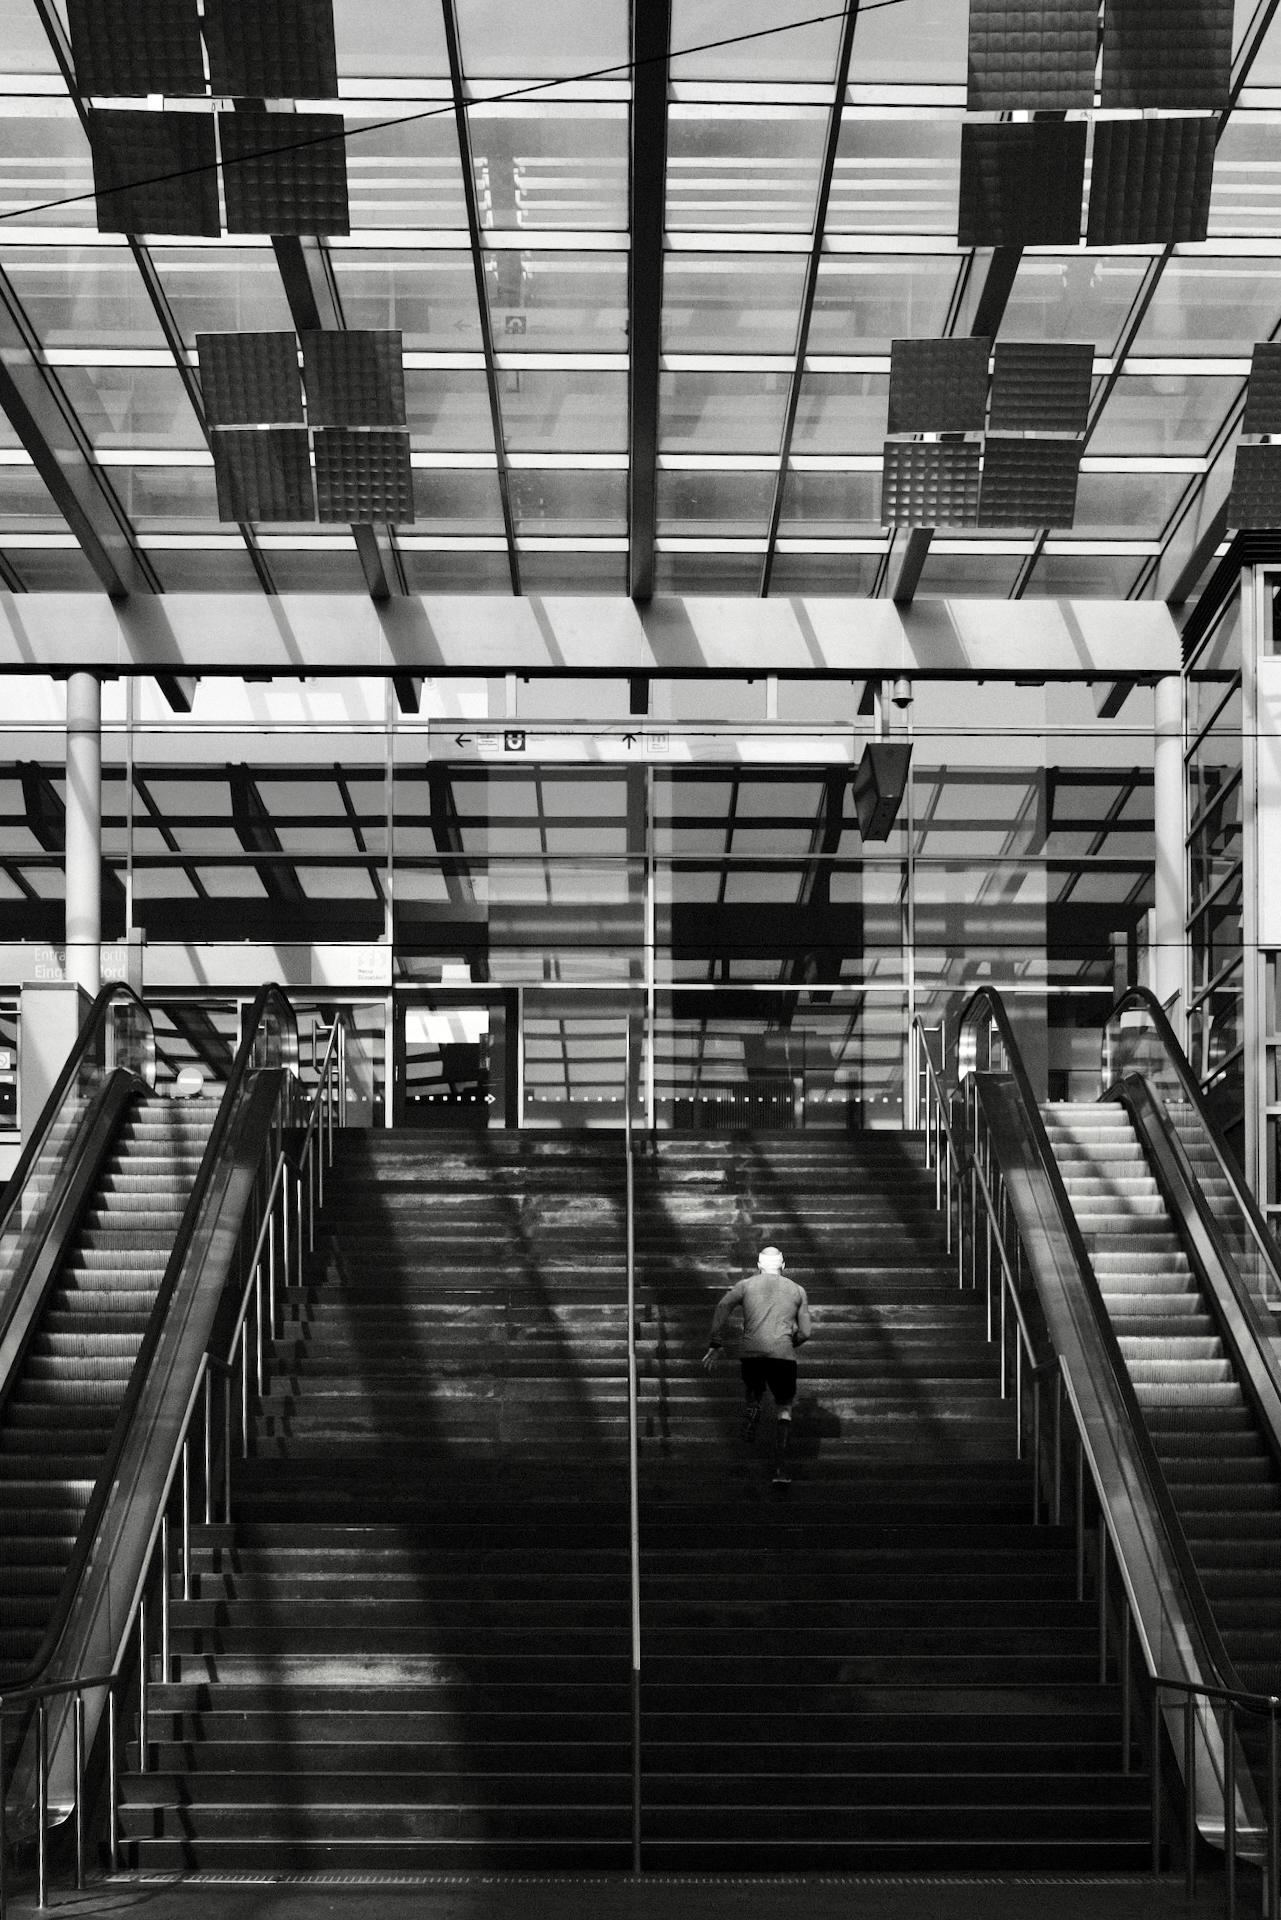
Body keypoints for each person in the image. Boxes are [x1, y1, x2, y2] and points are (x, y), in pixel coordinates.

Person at [702, 1246, 812, 1484]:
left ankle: (754, 1403)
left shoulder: (745, 1285)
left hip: (752, 1353)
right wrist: (788, 1341)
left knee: (754, 1389)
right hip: (782, 1355)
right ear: (783, 1267)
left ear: (759, 1266)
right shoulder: (798, 1290)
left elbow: (722, 1306)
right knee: (784, 1407)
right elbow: (805, 1332)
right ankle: (780, 1470)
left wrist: (716, 1342)